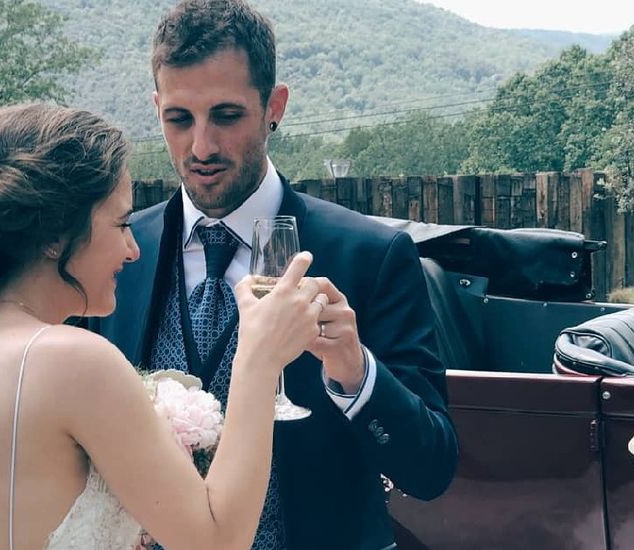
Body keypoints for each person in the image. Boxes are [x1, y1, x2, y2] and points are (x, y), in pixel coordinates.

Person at [0, 102, 329, 549]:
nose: (133, 249)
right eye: (120, 224)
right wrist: (258, 359)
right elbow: (218, 539)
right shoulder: (72, 361)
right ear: (55, 236)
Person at [91, 1, 459, 548]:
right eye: (179, 119)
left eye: (227, 115)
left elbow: (430, 470)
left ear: (274, 107)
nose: (202, 146)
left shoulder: (370, 255)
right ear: (157, 109)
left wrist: (355, 373)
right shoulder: (118, 254)